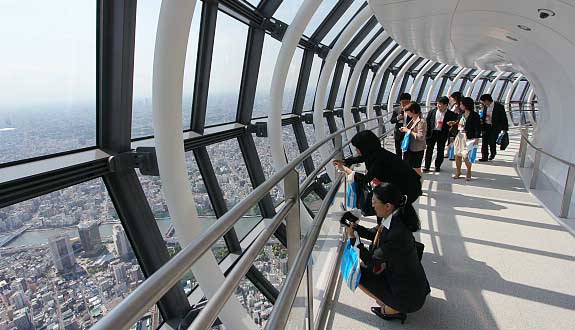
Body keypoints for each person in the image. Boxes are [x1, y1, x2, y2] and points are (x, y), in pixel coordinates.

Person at [342, 183, 430, 323]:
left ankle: (392, 309)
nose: (372, 206)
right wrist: (356, 227)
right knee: (367, 269)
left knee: (358, 275)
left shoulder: (396, 234)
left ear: (388, 205)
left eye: (374, 202)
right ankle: (390, 301)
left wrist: (353, 238)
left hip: (409, 299)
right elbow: (375, 233)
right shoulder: (396, 217)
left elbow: (370, 260)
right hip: (413, 285)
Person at [334, 130, 422, 210]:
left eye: (357, 147)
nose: (356, 150)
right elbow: (362, 158)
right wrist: (345, 161)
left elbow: (365, 179)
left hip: (408, 190)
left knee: (391, 210)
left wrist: (344, 168)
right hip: (406, 183)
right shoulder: (376, 152)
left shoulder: (379, 161)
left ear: (365, 147)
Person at [448, 97, 481, 181]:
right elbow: (458, 123)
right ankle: (458, 171)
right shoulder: (461, 114)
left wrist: (477, 138)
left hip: (469, 137)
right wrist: (454, 124)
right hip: (459, 136)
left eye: (462, 104)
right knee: (457, 155)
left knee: (466, 156)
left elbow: (477, 128)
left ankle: (468, 171)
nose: (460, 105)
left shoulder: (474, 115)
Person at [424, 96, 458, 172]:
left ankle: (437, 166)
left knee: (440, 150)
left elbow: (457, 121)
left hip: (442, 133)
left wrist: (452, 124)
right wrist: (426, 133)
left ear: (446, 105)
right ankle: (427, 166)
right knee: (429, 149)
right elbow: (428, 123)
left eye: (440, 104)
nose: (438, 105)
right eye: (438, 103)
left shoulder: (450, 114)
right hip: (432, 133)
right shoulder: (432, 112)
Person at [478, 94, 509, 161]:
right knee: (484, 141)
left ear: (486, 101)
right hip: (486, 126)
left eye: (483, 102)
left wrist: (505, 129)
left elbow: (503, 118)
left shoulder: (499, 106)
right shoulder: (486, 107)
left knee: (492, 141)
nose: (483, 103)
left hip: (495, 127)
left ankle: (493, 153)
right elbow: (484, 116)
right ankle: (484, 156)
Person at [399, 102, 427, 176]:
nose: (407, 113)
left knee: (416, 168)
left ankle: (419, 183)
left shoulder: (421, 122)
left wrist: (408, 131)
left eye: (408, 111)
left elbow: (420, 137)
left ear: (413, 111)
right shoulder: (412, 120)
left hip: (416, 149)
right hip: (409, 148)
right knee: (408, 167)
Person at [446, 92, 463, 160]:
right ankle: (451, 153)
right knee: (452, 139)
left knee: (452, 139)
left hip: (454, 125)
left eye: (452, 98)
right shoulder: (456, 106)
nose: (451, 99)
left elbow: (458, 116)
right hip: (453, 125)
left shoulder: (457, 106)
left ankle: (452, 154)